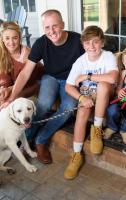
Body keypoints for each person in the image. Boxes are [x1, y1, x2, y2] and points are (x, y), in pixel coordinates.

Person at [1, 9, 84, 164]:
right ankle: (27, 142)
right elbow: (25, 73)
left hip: (71, 81)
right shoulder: (41, 43)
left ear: (63, 25)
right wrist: (12, 98)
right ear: (43, 28)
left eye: (55, 26)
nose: (51, 31)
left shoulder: (77, 40)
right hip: (50, 77)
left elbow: (93, 59)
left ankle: (41, 140)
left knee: (68, 107)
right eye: (47, 27)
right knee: (43, 105)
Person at [64, 25, 118, 179]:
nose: (91, 46)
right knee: (81, 112)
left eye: (95, 42)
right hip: (88, 95)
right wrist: (82, 98)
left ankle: (97, 129)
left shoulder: (108, 56)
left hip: (106, 93)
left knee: (102, 85)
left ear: (102, 42)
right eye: (87, 43)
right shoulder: (80, 61)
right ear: (83, 45)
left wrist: (87, 76)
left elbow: (112, 78)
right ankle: (76, 155)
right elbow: (69, 86)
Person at [0, 21, 44, 105]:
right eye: (7, 38)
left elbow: (26, 81)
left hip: (32, 84)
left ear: (20, 38)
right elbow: (4, 77)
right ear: (2, 39)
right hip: (13, 85)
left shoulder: (27, 54)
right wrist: (3, 89)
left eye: (15, 38)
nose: (11, 42)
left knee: (9, 102)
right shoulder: (2, 52)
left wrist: (9, 90)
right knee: (2, 97)